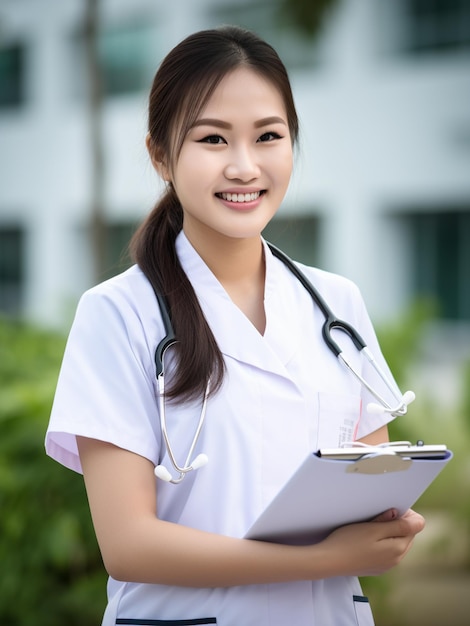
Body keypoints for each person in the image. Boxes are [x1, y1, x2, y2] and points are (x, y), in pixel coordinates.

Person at [46, 25, 425, 626]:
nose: (245, 167)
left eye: (268, 136)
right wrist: (317, 559)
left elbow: (368, 492)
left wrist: (386, 527)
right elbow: (128, 545)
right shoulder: (117, 314)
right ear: (160, 155)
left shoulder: (337, 304)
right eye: (214, 139)